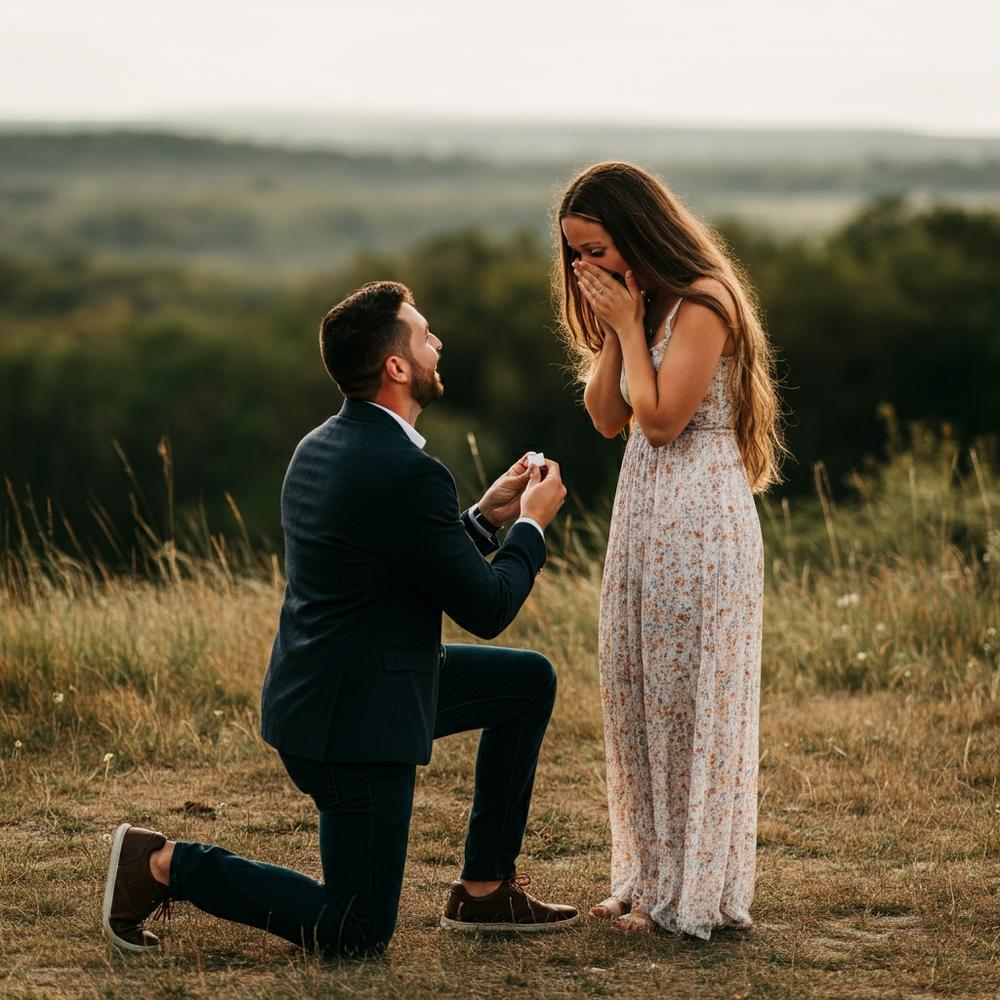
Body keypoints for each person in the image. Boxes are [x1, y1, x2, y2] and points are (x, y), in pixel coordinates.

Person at [101, 280, 578, 957]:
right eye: (424, 334)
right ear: (397, 367)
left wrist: (484, 518)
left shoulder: (325, 445)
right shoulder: (405, 472)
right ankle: (161, 864)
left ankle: (484, 890)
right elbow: (488, 608)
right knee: (356, 930)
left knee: (526, 683)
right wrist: (531, 526)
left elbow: (399, 562)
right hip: (355, 726)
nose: (437, 342)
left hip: (338, 688)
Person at [555, 162, 786, 938]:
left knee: (688, 698)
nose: (585, 267)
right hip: (646, 510)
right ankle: (648, 876)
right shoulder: (647, 303)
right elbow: (605, 415)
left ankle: (692, 893)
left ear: (635, 231)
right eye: (574, 256)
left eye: (594, 249)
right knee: (636, 689)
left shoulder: (702, 301)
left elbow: (661, 421)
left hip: (699, 514)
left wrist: (628, 327)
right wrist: (618, 328)